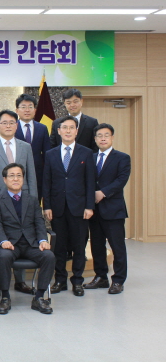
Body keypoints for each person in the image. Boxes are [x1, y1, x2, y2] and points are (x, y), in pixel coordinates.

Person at [0, 109, 37, 294]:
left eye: (12, 123)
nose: (8, 126)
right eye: (4, 123)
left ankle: (20, 281)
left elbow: (31, 176)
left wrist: (33, 199)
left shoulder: (25, 147)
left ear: (16, 125)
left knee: (21, 237)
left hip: (22, 198)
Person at [0, 163, 55, 315]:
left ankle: (39, 297)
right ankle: (5, 297)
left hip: (31, 244)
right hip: (10, 244)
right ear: (5, 179)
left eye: (19, 176)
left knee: (49, 256)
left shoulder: (32, 200)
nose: (15, 179)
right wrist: (3, 241)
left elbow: (39, 222)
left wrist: (42, 240)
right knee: (3, 256)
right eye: (12, 176)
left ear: (23, 179)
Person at [43, 116, 95, 297]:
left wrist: (89, 206)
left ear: (76, 131)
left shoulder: (86, 153)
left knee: (79, 246)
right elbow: (47, 182)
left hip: (79, 208)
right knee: (59, 247)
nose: (67, 131)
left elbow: (90, 182)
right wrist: (47, 206)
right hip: (57, 208)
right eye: (64, 127)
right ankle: (60, 280)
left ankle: (77, 281)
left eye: (71, 127)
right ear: (58, 131)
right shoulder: (50, 154)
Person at [83, 123, 130, 295]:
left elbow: (121, 180)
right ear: (95, 139)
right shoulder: (90, 157)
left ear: (112, 138)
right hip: (94, 210)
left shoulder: (122, 158)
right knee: (97, 246)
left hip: (113, 209)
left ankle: (118, 280)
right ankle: (101, 277)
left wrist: (103, 193)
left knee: (117, 246)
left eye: (106, 135)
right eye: (99, 136)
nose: (103, 138)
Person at [14, 94, 51, 202]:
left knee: (34, 204)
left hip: (37, 174)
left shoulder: (42, 128)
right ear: (17, 110)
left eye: (30, 107)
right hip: (16, 174)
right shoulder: (12, 128)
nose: (27, 110)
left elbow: (47, 153)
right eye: (23, 107)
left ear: (35, 110)